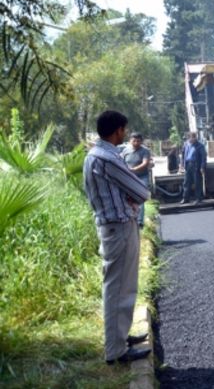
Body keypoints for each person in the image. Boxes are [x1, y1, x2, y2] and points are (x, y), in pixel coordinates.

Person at [82, 110, 151, 365]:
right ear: (117, 131)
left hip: (111, 226)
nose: (125, 134)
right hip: (119, 228)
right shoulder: (108, 158)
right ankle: (116, 350)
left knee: (120, 286)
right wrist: (133, 198)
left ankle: (119, 338)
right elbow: (141, 191)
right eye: (124, 130)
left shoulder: (92, 156)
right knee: (119, 288)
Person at [120, 132, 151, 228]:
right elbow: (120, 162)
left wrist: (133, 169)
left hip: (142, 177)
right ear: (130, 141)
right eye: (134, 141)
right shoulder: (125, 151)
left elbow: (145, 163)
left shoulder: (145, 151)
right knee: (129, 199)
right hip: (129, 178)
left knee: (140, 198)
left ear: (141, 141)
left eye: (138, 141)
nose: (136, 143)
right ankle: (131, 219)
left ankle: (140, 222)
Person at [181, 132, 207, 204]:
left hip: (196, 165)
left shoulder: (200, 146)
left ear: (195, 138)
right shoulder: (186, 144)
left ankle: (198, 198)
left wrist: (202, 167)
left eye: (193, 138)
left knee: (197, 182)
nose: (191, 139)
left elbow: (203, 157)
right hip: (188, 165)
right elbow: (183, 154)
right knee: (186, 182)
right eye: (189, 138)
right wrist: (182, 164)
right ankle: (185, 198)